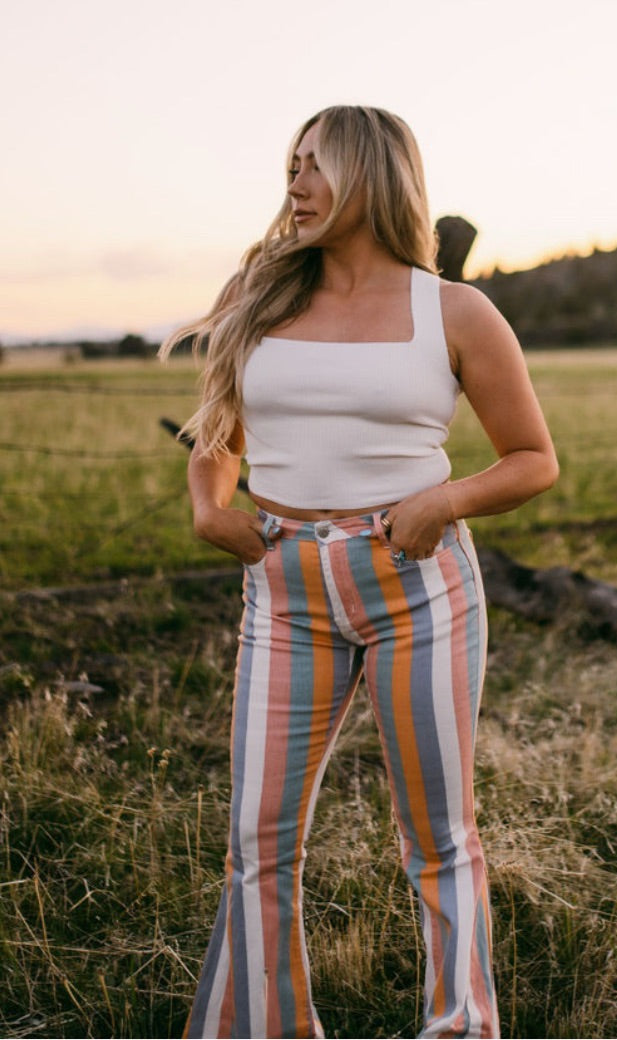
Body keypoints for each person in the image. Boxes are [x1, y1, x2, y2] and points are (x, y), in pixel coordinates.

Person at [160, 104, 558, 1040]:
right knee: (256, 841)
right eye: (289, 165)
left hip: (416, 587)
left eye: (313, 166)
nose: (292, 185)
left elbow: (532, 458)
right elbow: (218, 430)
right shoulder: (259, 294)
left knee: (437, 834)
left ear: (371, 177)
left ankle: (458, 1027)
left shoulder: (454, 310)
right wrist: (211, 506)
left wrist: (444, 501)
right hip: (284, 592)